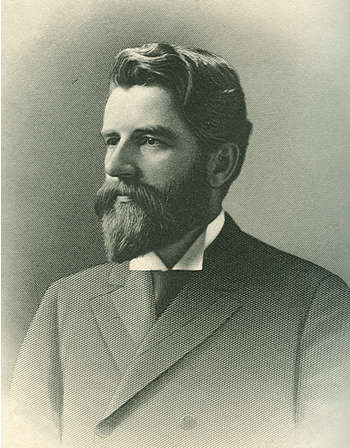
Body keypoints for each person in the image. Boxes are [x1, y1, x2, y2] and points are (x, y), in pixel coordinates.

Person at [10, 43, 350, 447]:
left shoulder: (316, 306)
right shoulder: (67, 304)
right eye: (111, 140)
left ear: (220, 163)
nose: (114, 166)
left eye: (150, 140)